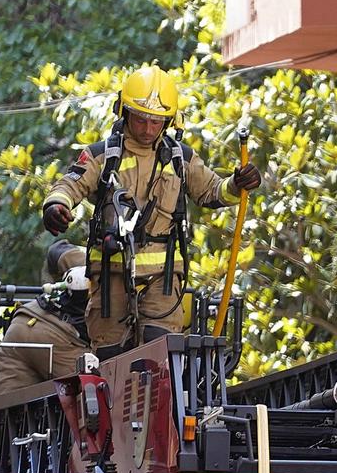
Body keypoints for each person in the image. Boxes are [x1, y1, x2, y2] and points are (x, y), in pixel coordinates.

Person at [39, 66, 260, 353]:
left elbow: (212, 192)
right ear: (124, 111)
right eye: (141, 119)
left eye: (156, 122)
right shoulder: (103, 156)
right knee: (110, 354)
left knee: (160, 351)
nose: (148, 129)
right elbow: (70, 185)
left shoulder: (181, 158)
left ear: (169, 121)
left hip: (164, 279)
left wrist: (237, 184)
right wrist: (56, 206)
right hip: (111, 276)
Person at [0, 240, 95, 399]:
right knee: (97, 386)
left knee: (1, 404)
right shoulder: (116, 275)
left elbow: (56, 249)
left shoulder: (90, 261)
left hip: (25, 322)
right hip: (59, 338)